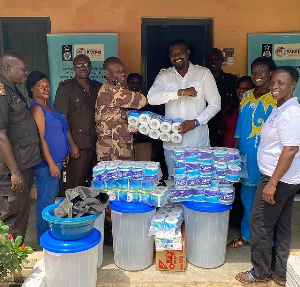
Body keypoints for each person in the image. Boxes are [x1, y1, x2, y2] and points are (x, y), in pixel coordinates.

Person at [235, 66, 300, 286]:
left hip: (277, 178)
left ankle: (260, 272)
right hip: (282, 178)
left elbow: (291, 149)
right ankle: (279, 274)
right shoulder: (280, 108)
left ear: (293, 85)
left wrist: (272, 183)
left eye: (282, 83)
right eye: (273, 82)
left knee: (260, 223)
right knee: (281, 225)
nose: (274, 86)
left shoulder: (290, 111)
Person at [147, 39, 221, 179]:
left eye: (180, 52)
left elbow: (216, 104)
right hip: (172, 143)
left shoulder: (203, 73)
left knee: (199, 181)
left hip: (197, 141)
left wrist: (196, 122)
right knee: (175, 181)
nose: (176, 56)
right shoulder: (164, 75)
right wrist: (179, 92)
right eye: (172, 54)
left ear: (188, 52)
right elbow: (152, 98)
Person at [95, 57, 147, 245]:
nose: (121, 73)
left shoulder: (115, 92)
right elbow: (141, 100)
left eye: (123, 70)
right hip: (112, 152)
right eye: (116, 71)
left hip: (118, 148)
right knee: (112, 190)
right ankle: (109, 230)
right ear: (106, 73)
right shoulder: (112, 91)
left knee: (119, 188)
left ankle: (116, 227)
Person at [228, 57, 277, 248]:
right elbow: (240, 126)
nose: (257, 75)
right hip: (246, 154)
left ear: (271, 73)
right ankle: (247, 235)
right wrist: (235, 149)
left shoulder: (276, 97)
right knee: (247, 196)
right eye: (254, 72)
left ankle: (267, 240)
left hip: (267, 155)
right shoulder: (247, 96)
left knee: (267, 199)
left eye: (261, 71)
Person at [0, 51, 42, 239]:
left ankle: (16, 254)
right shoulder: (2, 93)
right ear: (8, 68)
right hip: (13, 169)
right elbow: (0, 135)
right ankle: (7, 264)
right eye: (23, 69)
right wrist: (15, 172)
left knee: (21, 213)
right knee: (12, 217)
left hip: (23, 163)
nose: (27, 72)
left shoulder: (12, 90)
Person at [26, 71, 70, 240]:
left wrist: (64, 151)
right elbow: (41, 138)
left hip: (57, 160)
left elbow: (59, 130)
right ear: (32, 89)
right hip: (46, 165)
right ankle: (44, 238)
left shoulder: (48, 106)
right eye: (40, 86)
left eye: (47, 85)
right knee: (45, 201)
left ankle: (46, 234)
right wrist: (51, 163)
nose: (45, 88)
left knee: (50, 198)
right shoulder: (37, 109)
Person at [54, 54, 102, 189]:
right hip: (78, 146)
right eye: (79, 65)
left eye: (86, 64)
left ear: (90, 67)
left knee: (96, 185)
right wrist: (72, 145)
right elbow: (61, 120)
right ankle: (74, 210)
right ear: (74, 68)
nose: (83, 67)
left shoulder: (97, 87)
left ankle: (91, 210)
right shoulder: (66, 88)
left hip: (98, 145)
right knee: (76, 187)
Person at [206, 48, 238, 147]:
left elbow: (235, 103)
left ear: (222, 60)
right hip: (205, 123)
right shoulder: (201, 80)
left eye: (217, 59)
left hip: (224, 125)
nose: (214, 61)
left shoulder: (231, 80)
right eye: (211, 59)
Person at [218, 76, 253, 148]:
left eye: (246, 88)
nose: (242, 90)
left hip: (247, 150)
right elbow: (221, 129)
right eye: (239, 87)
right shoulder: (228, 109)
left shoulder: (256, 110)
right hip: (228, 151)